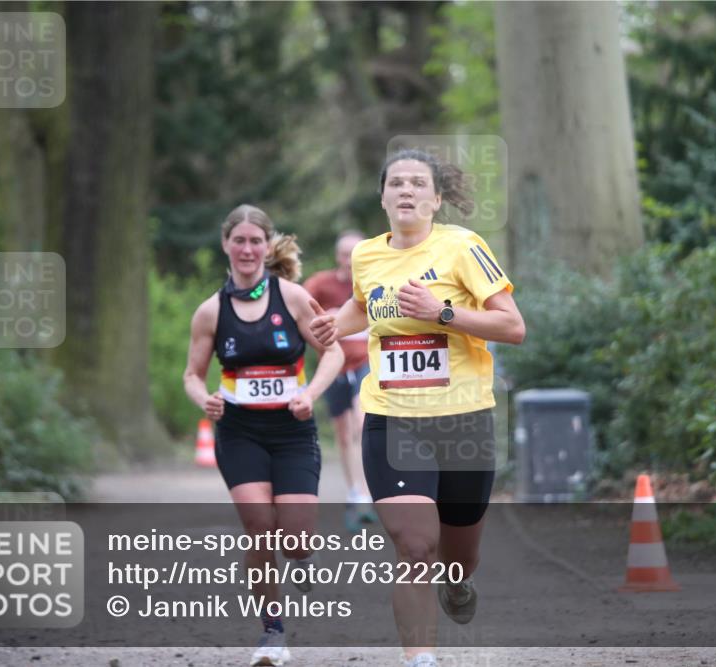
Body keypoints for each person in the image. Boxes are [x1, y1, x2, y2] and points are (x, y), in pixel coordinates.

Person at [310, 150, 526, 667]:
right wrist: (334, 326)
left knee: (457, 557)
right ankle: (420, 659)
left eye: (417, 183)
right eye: (396, 183)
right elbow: (364, 305)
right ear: (382, 198)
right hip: (393, 419)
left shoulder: (463, 248)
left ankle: (461, 581)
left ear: (437, 199)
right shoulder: (366, 255)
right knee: (414, 546)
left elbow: (512, 327)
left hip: (464, 420)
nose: (406, 190)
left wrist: (442, 312)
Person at [184, 204, 344, 667]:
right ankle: (272, 632)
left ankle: (299, 555)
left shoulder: (292, 298)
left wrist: (310, 393)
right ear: (226, 246)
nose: (248, 249)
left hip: (292, 431)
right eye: (240, 241)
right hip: (239, 431)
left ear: (266, 246)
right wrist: (205, 400)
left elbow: (331, 353)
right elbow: (192, 375)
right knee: (259, 527)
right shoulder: (210, 312)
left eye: (256, 241)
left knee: (295, 539)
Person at [303, 231, 376, 532]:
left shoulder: (375, 281)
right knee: (344, 435)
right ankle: (356, 491)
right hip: (333, 365)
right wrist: (324, 324)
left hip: (366, 362)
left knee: (362, 423)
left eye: (355, 254)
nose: (349, 260)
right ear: (338, 257)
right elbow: (301, 314)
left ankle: (370, 494)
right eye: (345, 254)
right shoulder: (321, 284)